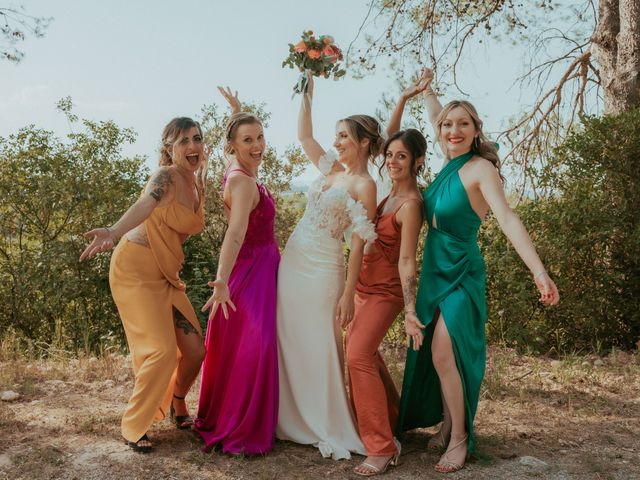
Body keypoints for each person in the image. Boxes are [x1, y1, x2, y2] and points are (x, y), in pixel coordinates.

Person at [396, 69, 560, 473]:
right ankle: (450, 418)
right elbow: (439, 116)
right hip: (434, 270)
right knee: (438, 357)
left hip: (462, 272)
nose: (453, 130)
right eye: (448, 125)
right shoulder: (448, 161)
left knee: (443, 350)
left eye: (462, 124)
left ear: (475, 130)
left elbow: (507, 218)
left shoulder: (479, 170)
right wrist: (428, 91)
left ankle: (460, 437)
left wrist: (539, 271)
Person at [79, 117, 209, 452]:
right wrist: (113, 231)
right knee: (163, 352)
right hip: (136, 268)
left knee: (196, 351)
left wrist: (237, 110)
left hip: (165, 274)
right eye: (183, 141)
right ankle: (134, 425)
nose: (192, 147)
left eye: (196, 138)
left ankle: (178, 401)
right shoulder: (164, 177)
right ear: (169, 148)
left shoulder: (197, 182)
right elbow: (146, 204)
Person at [276, 73, 380, 460]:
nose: (335, 142)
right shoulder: (329, 169)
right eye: (335, 135)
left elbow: (358, 245)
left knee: (319, 341)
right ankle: (289, 418)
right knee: (289, 334)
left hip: (324, 271)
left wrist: (348, 293)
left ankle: (322, 420)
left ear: (364, 142)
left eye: (343, 137)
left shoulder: (364, 185)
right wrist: (307, 93)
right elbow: (304, 136)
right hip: (294, 263)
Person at [195, 88, 280, 455]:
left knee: (238, 343)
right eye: (248, 139)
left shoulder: (237, 167)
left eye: (260, 136)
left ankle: (226, 413)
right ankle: (240, 424)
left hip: (258, 265)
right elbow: (235, 233)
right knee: (255, 345)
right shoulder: (242, 182)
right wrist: (222, 282)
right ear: (232, 145)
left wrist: (237, 111)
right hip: (251, 270)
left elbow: (240, 137)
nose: (258, 144)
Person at [346, 120, 426, 475]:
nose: (392, 161)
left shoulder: (410, 204)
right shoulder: (389, 192)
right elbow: (386, 138)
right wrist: (404, 99)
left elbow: (408, 259)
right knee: (366, 353)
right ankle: (394, 420)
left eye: (402, 156)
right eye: (390, 155)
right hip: (363, 288)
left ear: (418, 161)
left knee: (357, 355)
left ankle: (381, 446)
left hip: (386, 293)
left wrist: (410, 309)